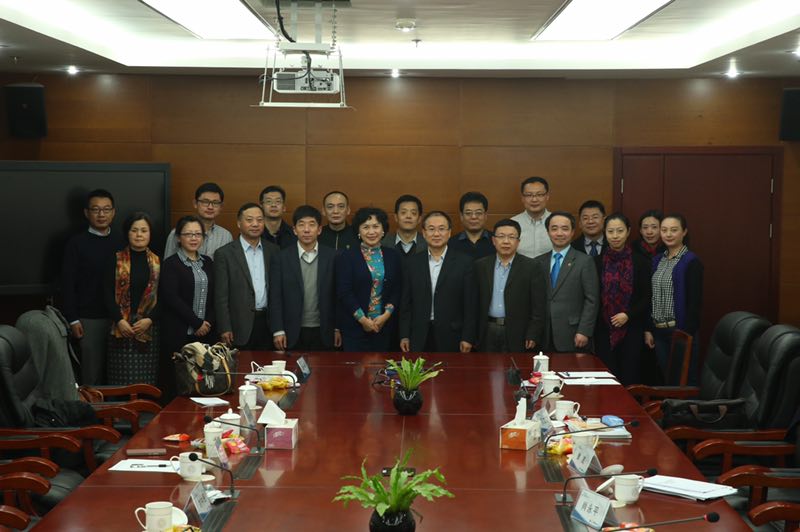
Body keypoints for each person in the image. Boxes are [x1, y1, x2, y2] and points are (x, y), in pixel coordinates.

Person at [61, 189, 122, 385]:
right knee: (91, 375)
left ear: (113, 212)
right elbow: (67, 284)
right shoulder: (76, 243)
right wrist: (72, 319)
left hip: (120, 319)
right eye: (96, 209)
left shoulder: (122, 241)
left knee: (118, 374)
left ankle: (117, 406)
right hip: (89, 319)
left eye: (106, 209)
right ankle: (91, 407)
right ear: (87, 213)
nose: (101, 214)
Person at [399, 211, 477, 353]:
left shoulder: (465, 262)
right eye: (431, 229)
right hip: (419, 334)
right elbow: (406, 303)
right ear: (424, 233)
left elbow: (471, 304)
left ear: (449, 232)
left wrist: (468, 337)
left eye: (441, 229)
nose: (436, 234)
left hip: (452, 334)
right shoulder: (412, 263)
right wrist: (404, 335)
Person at [270, 205, 341, 351]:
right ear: (294, 230)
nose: (306, 230)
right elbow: (275, 296)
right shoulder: (281, 257)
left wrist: (337, 327)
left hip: (325, 329)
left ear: (319, 230)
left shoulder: (333, 257)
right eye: (301, 225)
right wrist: (278, 330)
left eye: (312, 224)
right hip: (291, 330)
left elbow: (338, 295)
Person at [159, 216, 215, 396]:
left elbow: (214, 296)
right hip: (178, 333)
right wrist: (196, 323)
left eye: (198, 234)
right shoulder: (170, 264)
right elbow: (171, 298)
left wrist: (207, 323)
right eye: (188, 234)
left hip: (205, 335)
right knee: (178, 384)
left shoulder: (208, 262)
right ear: (178, 237)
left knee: (202, 385)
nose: (193, 238)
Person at [645, 213, 704, 385]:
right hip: (659, 331)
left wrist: (686, 334)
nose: (668, 234)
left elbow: (694, 303)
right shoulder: (658, 260)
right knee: (668, 381)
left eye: (674, 230)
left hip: (680, 332)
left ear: (684, 232)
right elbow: (651, 296)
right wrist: (649, 329)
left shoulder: (691, 262)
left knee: (685, 382)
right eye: (664, 230)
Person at [593, 213, 651, 385]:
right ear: (605, 233)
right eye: (610, 231)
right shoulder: (597, 262)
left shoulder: (640, 262)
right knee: (606, 376)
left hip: (632, 326)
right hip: (604, 328)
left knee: (629, 374)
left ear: (628, 232)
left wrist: (628, 315)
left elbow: (646, 296)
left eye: (620, 231)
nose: (615, 236)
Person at [104, 212, 161, 385]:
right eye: (134, 230)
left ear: (150, 234)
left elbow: (165, 296)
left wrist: (149, 320)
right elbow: (106, 293)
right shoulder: (115, 259)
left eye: (144, 230)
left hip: (147, 328)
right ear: (127, 233)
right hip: (121, 327)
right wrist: (119, 320)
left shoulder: (158, 262)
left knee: (146, 382)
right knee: (121, 381)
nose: (139, 235)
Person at [214, 203, 280, 349]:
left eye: (260, 220)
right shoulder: (224, 254)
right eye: (249, 220)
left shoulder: (274, 251)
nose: (255, 224)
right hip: (238, 325)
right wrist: (225, 327)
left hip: (268, 323)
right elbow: (221, 296)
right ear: (239, 223)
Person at [474, 219, 545, 353]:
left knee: (515, 365)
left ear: (518, 242)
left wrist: (533, 333)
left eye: (511, 237)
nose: (506, 241)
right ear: (493, 240)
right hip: (487, 329)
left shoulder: (532, 267)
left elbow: (538, 305)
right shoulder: (480, 266)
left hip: (518, 331)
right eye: (501, 236)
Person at [336, 207, 402, 352]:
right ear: (358, 231)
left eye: (376, 226)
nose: (371, 232)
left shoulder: (393, 256)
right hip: (354, 328)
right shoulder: (347, 256)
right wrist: (363, 320)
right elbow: (344, 292)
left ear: (383, 230)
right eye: (366, 227)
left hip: (384, 327)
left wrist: (386, 315)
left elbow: (397, 289)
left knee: (383, 366)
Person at [533, 211, 599, 352]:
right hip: (544, 334)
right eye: (554, 229)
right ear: (548, 232)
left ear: (573, 232)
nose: (559, 233)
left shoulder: (584, 261)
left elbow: (592, 300)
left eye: (565, 229)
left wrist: (584, 330)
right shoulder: (538, 262)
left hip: (573, 333)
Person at [163, 182, 232, 259]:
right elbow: (168, 263)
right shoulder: (178, 233)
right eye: (205, 202)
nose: (210, 207)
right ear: (195, 203)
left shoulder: (226, 236)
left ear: (221, 207)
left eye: (215, 203)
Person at [512, 176, 553, 259]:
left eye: (539, 195)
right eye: (529, 195)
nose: (534, 199)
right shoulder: (513, 224)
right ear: (522, 198)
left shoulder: (557, 222)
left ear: (547, 196)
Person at [448, 191, 495, 260]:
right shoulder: (450, 244)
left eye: (478, 213)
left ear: (485, 215)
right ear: (461, 216)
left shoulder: (496, 241)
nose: (473, 217)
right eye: (468, 213)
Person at [259, 185, 297, 249]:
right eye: (269, 201)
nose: (273, 205)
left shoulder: (294, 234)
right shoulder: (255, 233)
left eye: (278, 201)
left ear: (284, 207)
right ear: (261, 207)